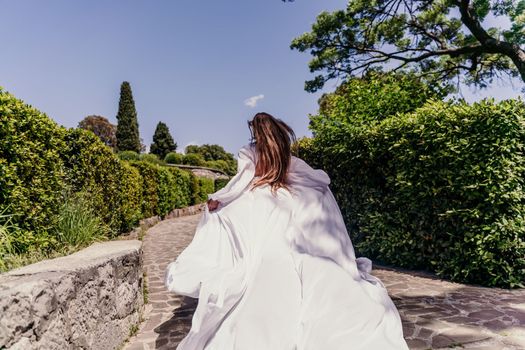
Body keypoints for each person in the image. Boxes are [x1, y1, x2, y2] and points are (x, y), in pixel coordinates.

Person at [164, 112, 409, 350]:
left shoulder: (251, 152)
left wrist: (221, 199)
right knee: (296, 259)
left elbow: (242, 179)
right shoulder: (286, 154)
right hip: (286, 197)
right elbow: (312, 179)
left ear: (257, 131)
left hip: (263, 199)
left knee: (258, 257)